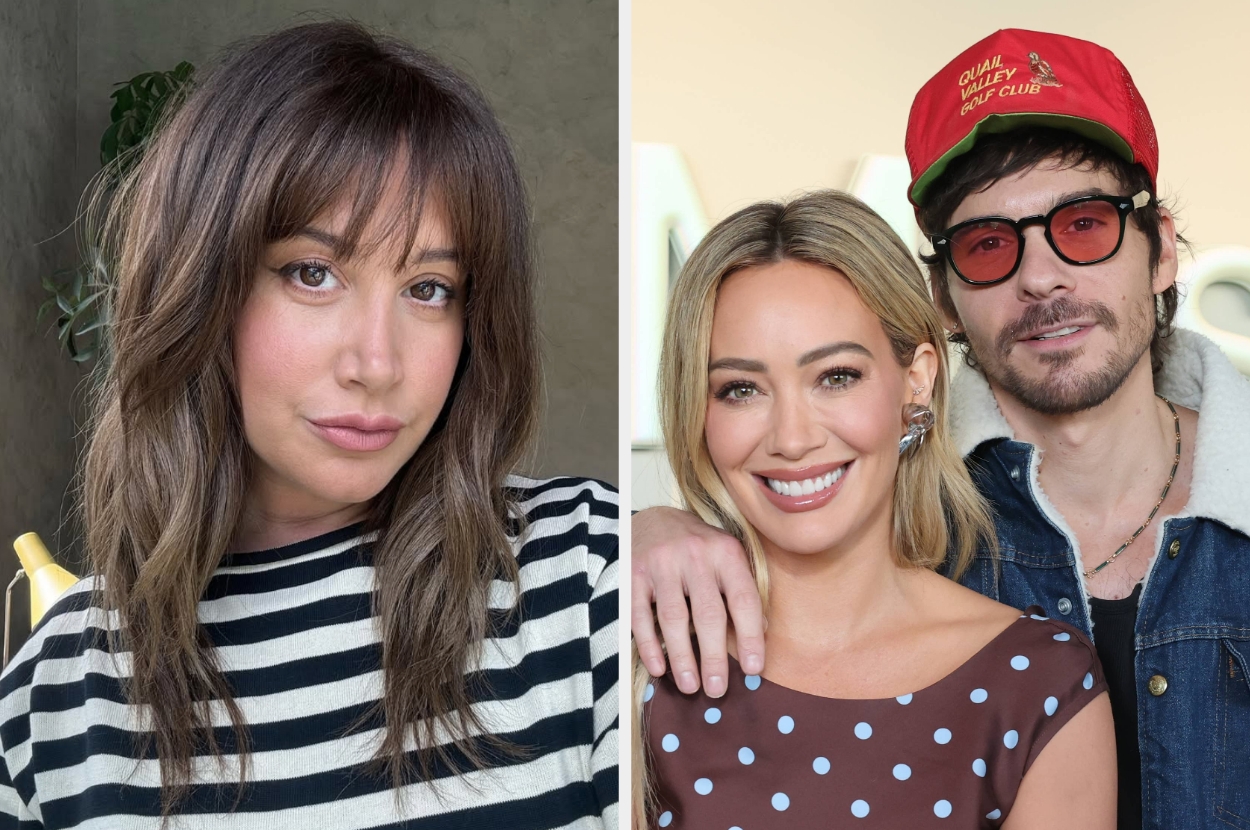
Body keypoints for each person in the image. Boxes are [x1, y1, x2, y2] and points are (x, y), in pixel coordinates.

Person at [0, 21, 618, 829]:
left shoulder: (582, 573)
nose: (377, 362)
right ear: (198, 289)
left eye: (430, 288)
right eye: (313, 273)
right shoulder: (52, 702)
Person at [631, 28, 1250, 830]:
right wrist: (641, 533)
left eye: (1085, 225)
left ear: (1161, 249)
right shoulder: (895, 530)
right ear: (945, 296)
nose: (1040, 277)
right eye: (989, 245)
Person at [634, 189, 1115, 829]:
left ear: (916, 379)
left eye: (836, 376)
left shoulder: (1041, 684)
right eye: (741, 389)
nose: (792, 438)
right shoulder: (645, 653)